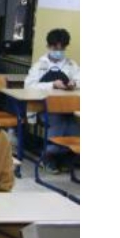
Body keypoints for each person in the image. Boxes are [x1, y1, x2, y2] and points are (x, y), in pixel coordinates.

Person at [24, 28, 80, 170]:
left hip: (67, 108)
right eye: (55, 48)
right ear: (48, 46)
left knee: (74, 125)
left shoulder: (71, 65)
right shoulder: (40, 65)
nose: (59, 51)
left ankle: (66, 156)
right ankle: (49, 156)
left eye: (62, 48)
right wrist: (52, 84)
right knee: (58, 122)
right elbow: (29, 86)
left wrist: (74, 84)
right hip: (45, 108)